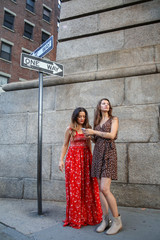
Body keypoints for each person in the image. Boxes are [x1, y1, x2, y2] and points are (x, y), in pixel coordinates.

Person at [83, 98, 122, 235]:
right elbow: (97, 139)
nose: (106, 104)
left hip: (109, 154)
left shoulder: (114, 119)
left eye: (107, 103)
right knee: (100, 189)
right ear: (99, 106)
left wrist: (94, 132)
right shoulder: (97, 122)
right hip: (98, 154)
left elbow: (111, 135)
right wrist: (90, 136)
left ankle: (117, 221)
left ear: (109, 106)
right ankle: (105, 220)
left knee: (105, 189)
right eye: (103, 103)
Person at [59, 107, 102, 229]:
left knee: (88, 187)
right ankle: (76, 217)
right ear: (75, 117)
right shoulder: (70, 129)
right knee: (75, 189)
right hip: (73, 161)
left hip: (86, 160)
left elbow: (89, 145)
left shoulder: (87, 129)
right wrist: (61, 160)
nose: (82, 118)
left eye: (84, 116)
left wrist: (92, 160)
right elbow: (65, 144)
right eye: (80, 116)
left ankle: (88, 216)